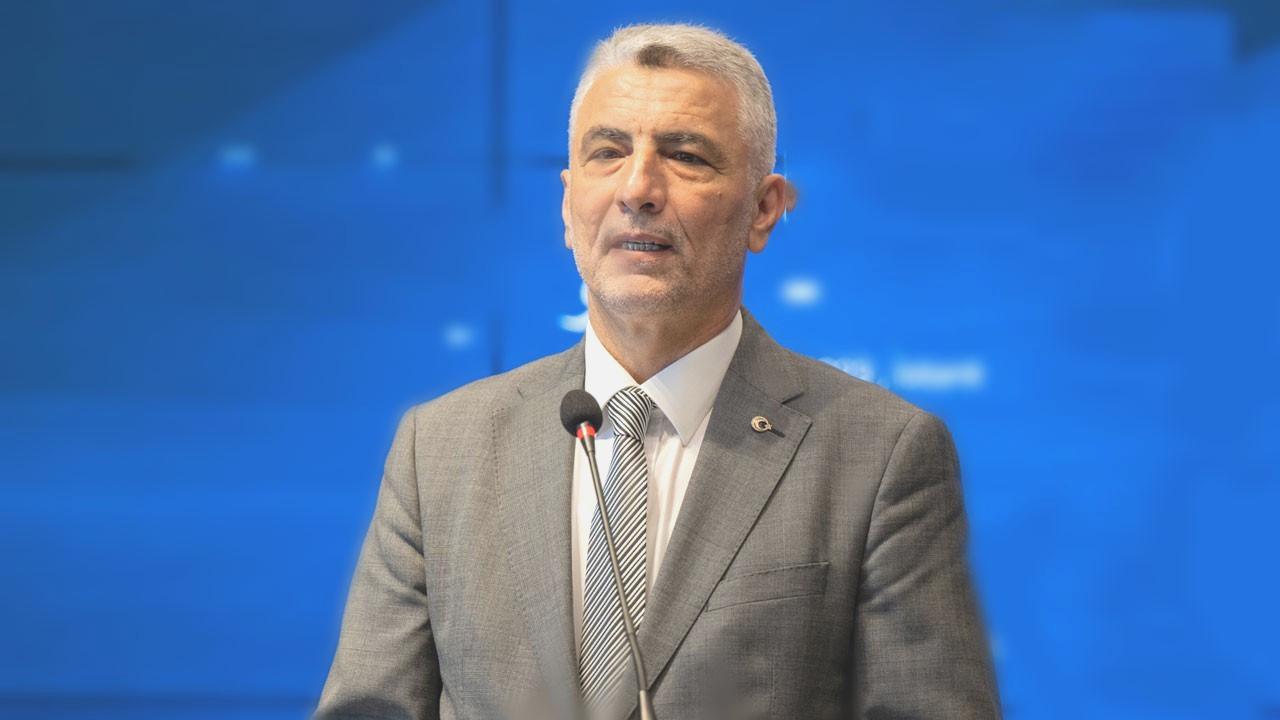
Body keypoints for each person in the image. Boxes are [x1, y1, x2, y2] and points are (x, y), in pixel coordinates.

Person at [315, 23, 999, 720]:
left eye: (686, 156)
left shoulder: (881, 454)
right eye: (608, 153)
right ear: (568, 205)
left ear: (764, 210)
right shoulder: (440, 448)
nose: (638, 188)